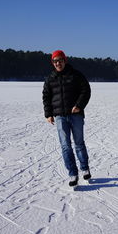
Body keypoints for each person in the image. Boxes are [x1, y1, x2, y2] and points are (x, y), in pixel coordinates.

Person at [42, 50, 91, 187]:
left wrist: (79, 106)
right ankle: (72, 174)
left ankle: (84, 168)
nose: (58, 63)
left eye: (60, 60)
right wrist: (49, 114)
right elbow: (46, 96)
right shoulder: (50, 78)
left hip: (75, 115)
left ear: (65, 60)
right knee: (65, 146)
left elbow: (85, 90)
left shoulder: (76, 75)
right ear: (53, 63)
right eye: (55, 61)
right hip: (60, 117)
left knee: (79, 143)